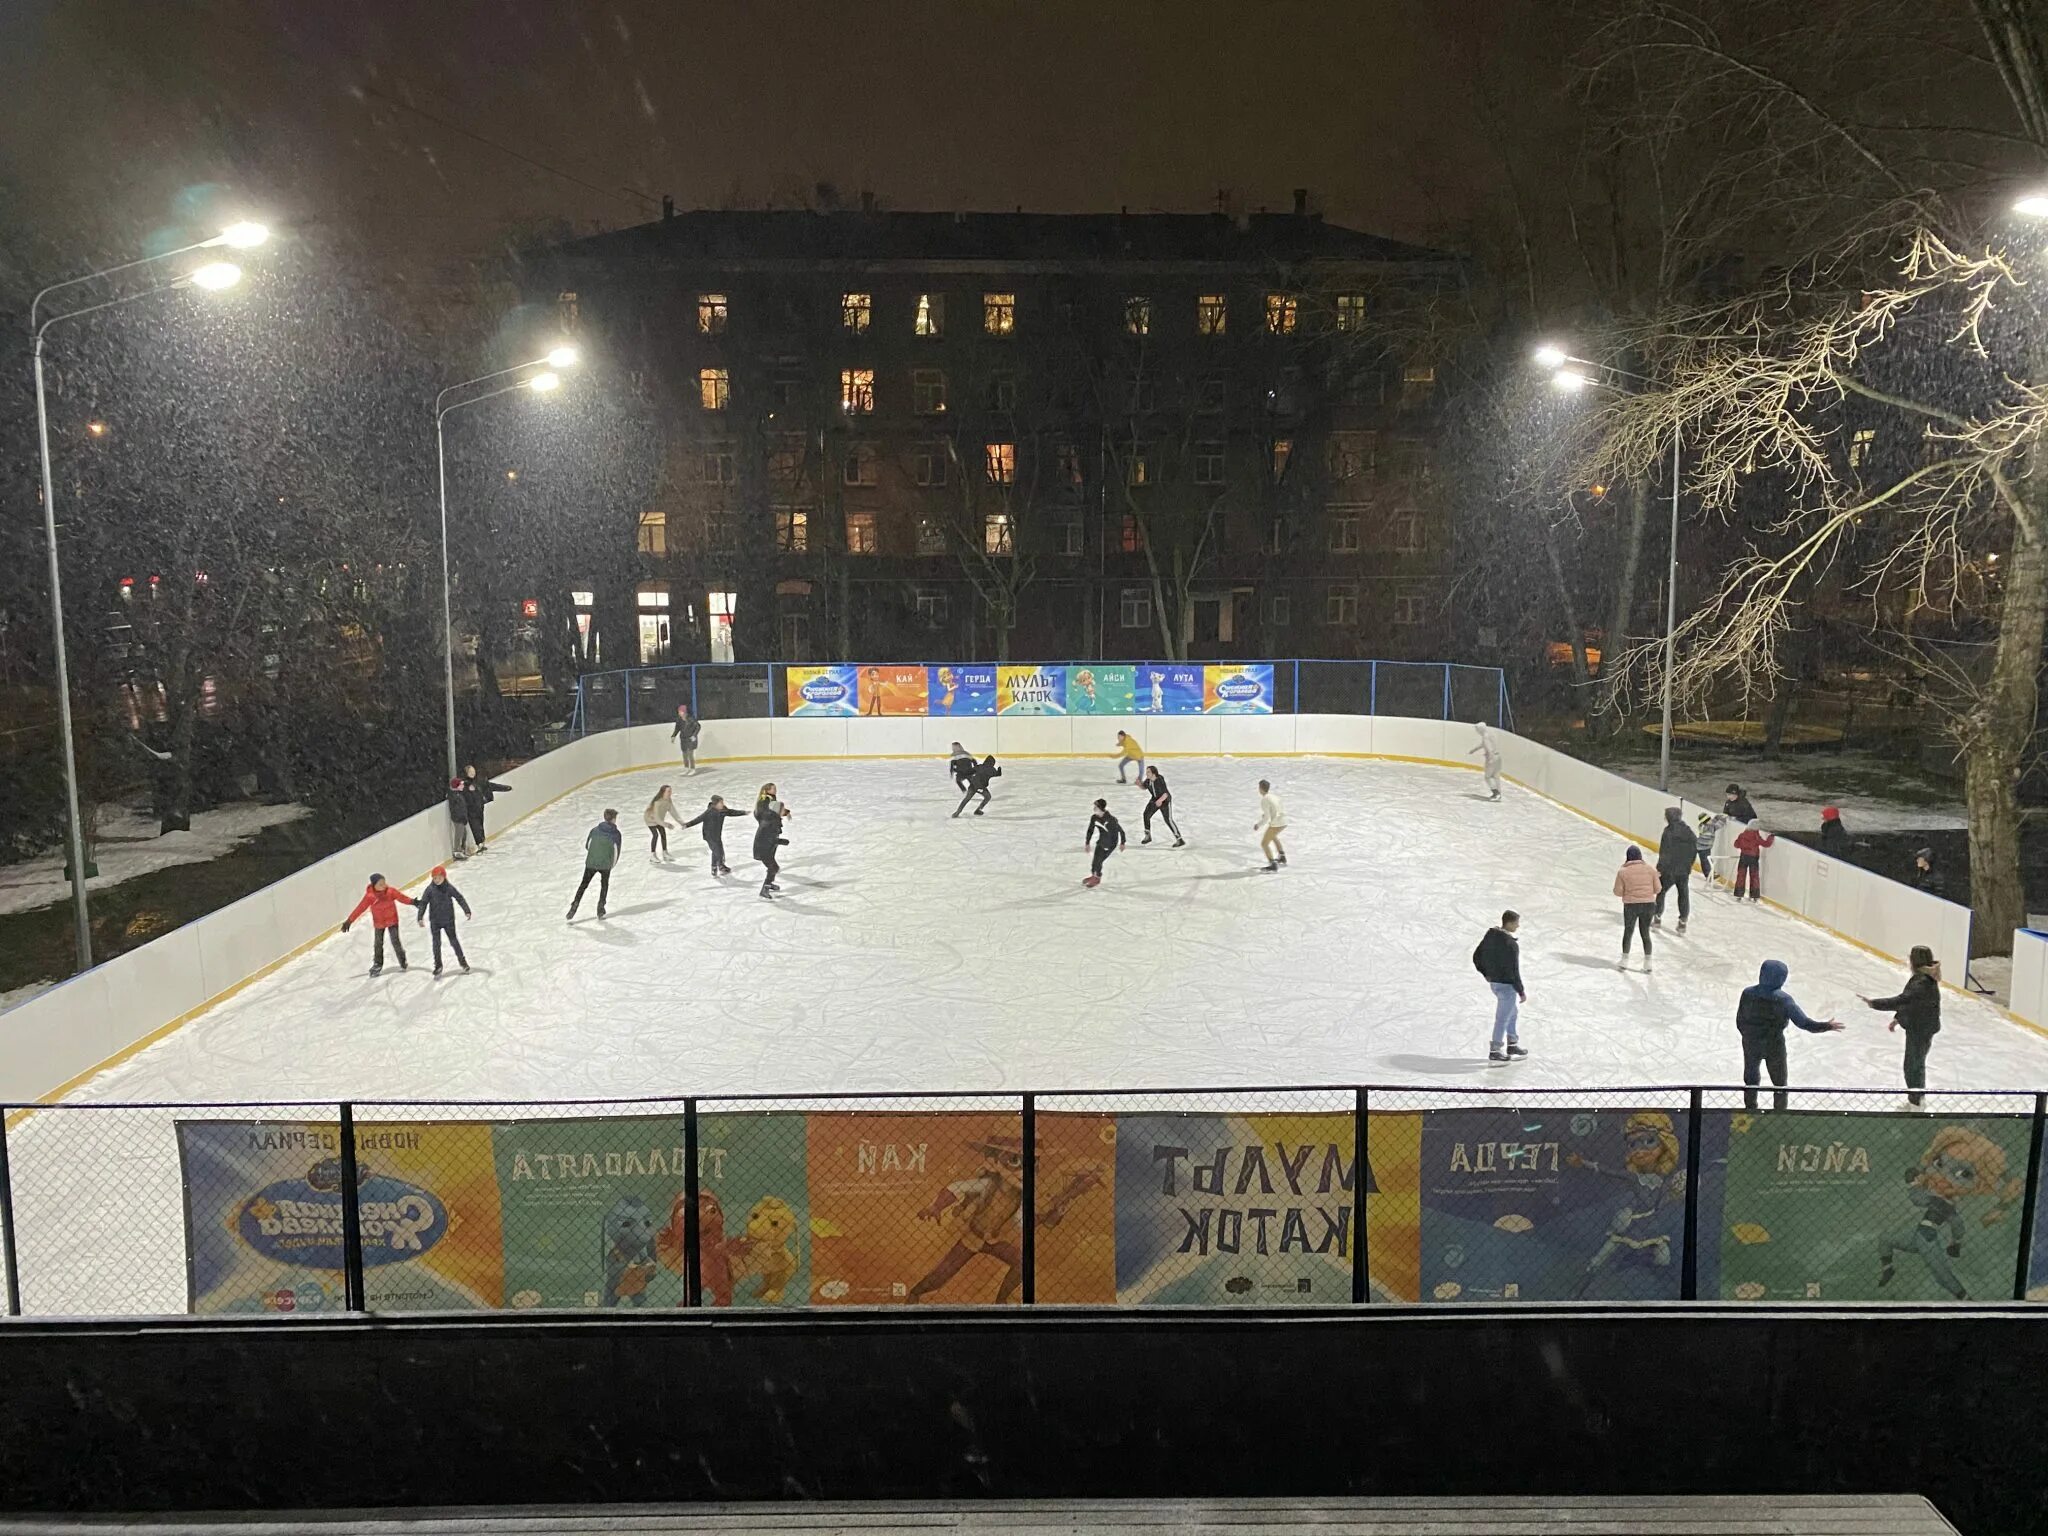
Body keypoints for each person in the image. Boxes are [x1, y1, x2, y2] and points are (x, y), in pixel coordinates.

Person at [1736, 958, 1844, 1110]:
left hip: (1751, 1042)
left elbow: (1740, 1020)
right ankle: (1780, 1112)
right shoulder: (1783, 1000)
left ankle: (1750, 1108)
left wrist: (1749, 1036)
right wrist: (1826, 1026)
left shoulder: (1747, 994)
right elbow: (1803, 1023)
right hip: (1774, 1044)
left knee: (1751, 1078)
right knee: (1779, 1082)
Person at [1863, 946, 1942, 1109]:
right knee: (1915, 1064)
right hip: (1922, 1026)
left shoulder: (1921, 982)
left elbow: (1903, 1000)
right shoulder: (1924, 978)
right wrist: (1898, 1019)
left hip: (1920, 1029)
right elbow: (1914, 1004)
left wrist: (1875, 1003)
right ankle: (1917, 1098)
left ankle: (1916, 1101)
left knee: (1913, 1065)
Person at [1472, 910, 1527, 1063]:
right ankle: (1495, 1049)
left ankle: (1512, 1043)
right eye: (1516, 923)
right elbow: (1514, 971)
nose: (1518, 926)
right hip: (1507, 985)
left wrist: (1487, 974)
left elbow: (1476, 956)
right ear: (1509, 923)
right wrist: (1521, 991)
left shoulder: (1490, 936)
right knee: (1503, 1017)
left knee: (1512, 1012)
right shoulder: (1511, 945)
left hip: (1495, 983)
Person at [342, 873, 415, 974]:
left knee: (395, 941)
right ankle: (377, 964)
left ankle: (402, 960)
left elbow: (402, 898)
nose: (383, 885)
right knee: (378, 944)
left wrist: (413, 902)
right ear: (374, 885)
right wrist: (349, 921)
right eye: (380, 884)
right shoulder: (370, 897)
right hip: (379, 923)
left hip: (392, 920)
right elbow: (360, 908)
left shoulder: (390, 892)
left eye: (384, 883)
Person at [413, 865, 473, 975]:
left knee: (454, 941)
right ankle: (438, 965)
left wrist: (466, 910)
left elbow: (459, 898)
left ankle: (463, 962)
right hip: (435, 921)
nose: (437, 880)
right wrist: (420, 917)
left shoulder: (449, 888)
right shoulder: (429, 889)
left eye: (439, 877)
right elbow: (423, 903)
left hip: (448, 920)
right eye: (434, 878)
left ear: (444, 876)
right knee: (436, 944)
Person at [567, 809, 623, 921]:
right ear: (613, 819)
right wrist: (611, 865)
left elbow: (587, 845)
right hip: (605, 865)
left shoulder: (594, 830)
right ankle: (600, 909)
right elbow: (616, 852)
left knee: (583, 885)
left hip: (591, 863)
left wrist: (594, 855)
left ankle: (574, 906)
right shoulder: (616, 834)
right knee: (604, 885)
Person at [1613, 846, 1661, 973]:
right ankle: (1648, 963)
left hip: (1631, 905)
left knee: (1628, 931)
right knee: (1645, 932)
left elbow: (1617, 892)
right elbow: (1658, 889)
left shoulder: (1622, 872)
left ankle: (1624, 960)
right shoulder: (1650, 870)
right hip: (1648, 905)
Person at [1653, 807, 1697, 932]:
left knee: (1660, 891)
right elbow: (1694, 850)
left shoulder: (1668, 832)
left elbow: (1664, 852)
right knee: (1683, 894)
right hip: (1683, 870)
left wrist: (1659, 868)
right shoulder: (1689, 832)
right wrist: (1689, 865)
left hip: (1669, 869)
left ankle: (1657, 917)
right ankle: (1683, 921)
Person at [683, 794, 746, 876]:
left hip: (717, 835)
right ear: (715, 804)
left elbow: (732, 812)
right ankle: (721, 866)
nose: (722, 804)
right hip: (709, 836)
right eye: (720, 803)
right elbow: (698, 819)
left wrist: (743, 812)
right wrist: (687, 825)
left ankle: (714, 868)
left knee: (717, 851)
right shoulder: (709, 812)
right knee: (718, 852)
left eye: (722, 802)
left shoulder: (723, 810)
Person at [462, 764, 512, 853]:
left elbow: (491, 786)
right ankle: (479, 844)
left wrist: (505, 788)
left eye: (473, 771)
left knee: (480, 825)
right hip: (471, 810)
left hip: (480, 807)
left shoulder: (479, 781)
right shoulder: (464, 785)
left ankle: (482, 842)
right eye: (470, 771)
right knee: (475, 826)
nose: (472, 773)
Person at [754, 784, 790, 900]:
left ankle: (769, 884)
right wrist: (781, 841)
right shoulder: (769, 821)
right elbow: (768, 837)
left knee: (773, 867)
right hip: (763, 847)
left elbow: (775, 809)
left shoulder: (773, 819)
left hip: (768, 846)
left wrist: (784, 812)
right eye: (773, 788)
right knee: (773, 867)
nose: (775, 790)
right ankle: (765, 888)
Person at [1083, 798, 1126, 887]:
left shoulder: (1111, 820)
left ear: (1101, 808)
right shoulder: (1094, 818)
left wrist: (1122, 842)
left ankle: (1097, 878)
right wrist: (1087, 843)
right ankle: (1094, 875)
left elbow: (1121, 830)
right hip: (1102, 840)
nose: (1094, 809)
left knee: (1099, 861)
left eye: (1096, 807)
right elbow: (1090, 830)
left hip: (1111, 843)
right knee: (1095, 860)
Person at [1140, 765, 1184, 846]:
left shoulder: (1159, 779)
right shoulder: (1148, 780)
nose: (1146, 773)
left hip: (1165, 801)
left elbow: (1165, 794)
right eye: (1146, 772)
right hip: (1155, 800)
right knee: (1146, 814)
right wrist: (1139, 784)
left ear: (1154, 773)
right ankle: (1148, 836)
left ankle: (1179, 839)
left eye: (1148, 772)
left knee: (1168, 820)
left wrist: (1160, 800)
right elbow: (1144, 787)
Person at [1732, 821, 1775, 902]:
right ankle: (1754, 895)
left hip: (1743, 857)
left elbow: (1736, 845)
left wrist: (1743, 845)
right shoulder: (1756, 837)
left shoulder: (1742, 835)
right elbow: (1766, 844)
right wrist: (1771, 837)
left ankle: (1739, 894)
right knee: (1754, 876)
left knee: (1741, 875)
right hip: (1753, 858)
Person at [1254, 779, 1287, 871]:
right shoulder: (1274, 796)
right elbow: (1277, 808)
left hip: (1277, 823)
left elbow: (1266, 818)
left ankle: (1273, 865)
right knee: (1273, 836)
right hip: (1284, 821)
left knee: (1264, 843)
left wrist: (1258, 825)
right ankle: (1282, 857)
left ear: (1260, 789)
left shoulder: (1264, 799)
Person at [644, 784, 683, 860]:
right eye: (668, 791)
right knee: (655, 835)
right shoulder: (657, 802)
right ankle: (653, 855)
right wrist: (666, 825)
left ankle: (665, 853)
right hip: (650, 819)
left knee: (663, 834)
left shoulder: (668, 800)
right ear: (663, 792)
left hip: (659, 820)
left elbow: (673, 811)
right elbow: (656, 818)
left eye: (670, 791)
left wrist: (681, 822)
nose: (670, 793)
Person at [1468, 722, 1503, 801]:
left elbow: (1488, 748)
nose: (1477, 731)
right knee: (1495, 776)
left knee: (1488, 777)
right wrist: (1474, 750)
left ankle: (1496, 793)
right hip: (1498, 757)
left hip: (1492, 758)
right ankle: (1499, 793)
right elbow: (1483, 744)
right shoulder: (1490, 734)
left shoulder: (1485, 736)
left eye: (1477, 730)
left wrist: (1490, 757)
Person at [445, 776, 472, 859]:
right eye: (461, 785)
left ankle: (462, 849)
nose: (463, 786)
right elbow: (456, 809)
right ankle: (457, 851)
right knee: (459, 835)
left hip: (462, 818)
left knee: (464, 833)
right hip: (458, 819)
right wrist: (461, 817)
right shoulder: (454, 796)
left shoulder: (458, 794)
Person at [1696, 811, 1725, 883]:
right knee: (1706, 861)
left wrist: (1717, 817)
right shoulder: (1711, 827)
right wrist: (1723, 819)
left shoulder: (1702, 825)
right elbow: (1719, 825)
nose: (1710, 820)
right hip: (1704, 847)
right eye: (1709, 820)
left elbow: (1712, 822)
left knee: (1705, 861)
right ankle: (1709, 874)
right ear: (1705, 822)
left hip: (1700, 846)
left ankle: (1710, 873)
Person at [671, 706, 701, 773]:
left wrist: (694, 735)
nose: (679, 713)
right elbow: (677, 729)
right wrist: (673, 736)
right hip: (683, 739)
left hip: (691, 739)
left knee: (690, 754)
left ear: (684, 712)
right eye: (679, 711)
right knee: (684, 755)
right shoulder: (679, 720)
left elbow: (698, 727)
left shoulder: (691, 719)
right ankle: (686, 768)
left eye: (680, 711)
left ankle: (692, 768)